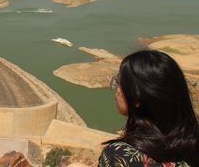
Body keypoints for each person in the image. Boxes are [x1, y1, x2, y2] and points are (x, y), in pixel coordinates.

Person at [70, 50, 199, 167]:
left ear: (137, 99)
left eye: (119, 84)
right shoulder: (192, 141)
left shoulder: (122, 155)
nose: (116, 90)